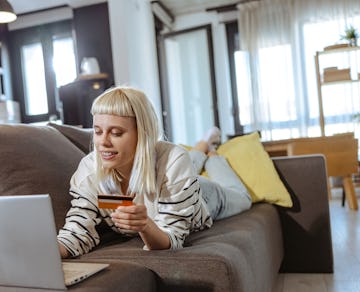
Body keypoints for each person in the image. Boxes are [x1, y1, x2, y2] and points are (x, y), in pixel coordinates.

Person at [57, 86, 251, 258]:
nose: (103, 142)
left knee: (243, 197)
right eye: (98, 131)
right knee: (183, 162)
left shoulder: (174, 161)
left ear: (142, 134)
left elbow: (173, 238)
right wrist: (46, 251)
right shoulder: (89, 171)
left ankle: (213, 154)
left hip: (202, 196)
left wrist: (145, 225)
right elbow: (77, 232)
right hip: (173, 177)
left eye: (116, 133)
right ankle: (203, 144)